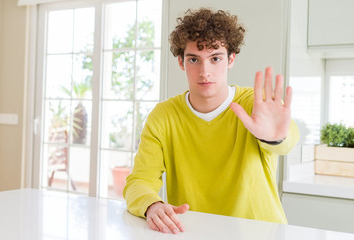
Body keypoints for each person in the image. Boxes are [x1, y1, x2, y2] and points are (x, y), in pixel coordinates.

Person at [123, 8, 299, 234]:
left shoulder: (253, 104)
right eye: (194, 59)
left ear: (230, 60)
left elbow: (288, 137)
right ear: (181, 62)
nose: (204, 72)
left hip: (261, 232)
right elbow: (139, 181)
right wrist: (152, 205)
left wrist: (276, 137)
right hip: (194, 232)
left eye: (215, 58)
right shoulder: (163, 116)